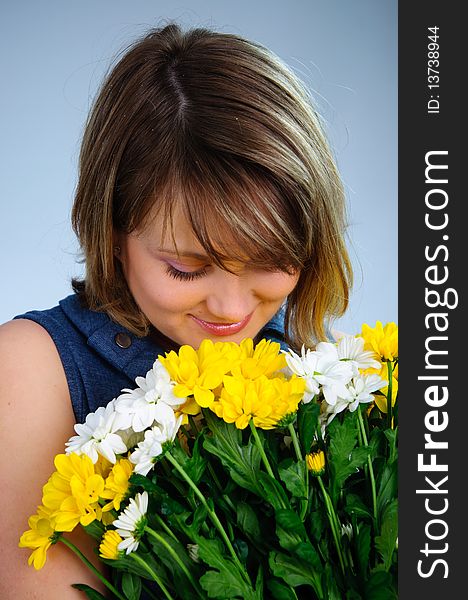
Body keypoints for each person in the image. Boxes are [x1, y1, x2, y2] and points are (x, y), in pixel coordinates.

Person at [0, 21, 352, 598]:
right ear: (112, 231)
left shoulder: (317, 365)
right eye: (187, 269)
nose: (234, 308)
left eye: (271, 260)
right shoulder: (30, 371)